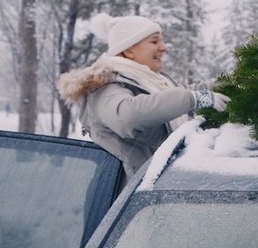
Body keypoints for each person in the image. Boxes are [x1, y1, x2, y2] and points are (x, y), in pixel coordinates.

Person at [57, 13, 230, 185]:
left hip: (156, 192)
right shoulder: (106, 88)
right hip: (131, 203)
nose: (163, 48)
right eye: (154, 42)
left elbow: (180, 94)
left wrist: (229, 84)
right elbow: (126, 117)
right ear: (129, 50)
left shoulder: (147, 81)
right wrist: (191, 99)